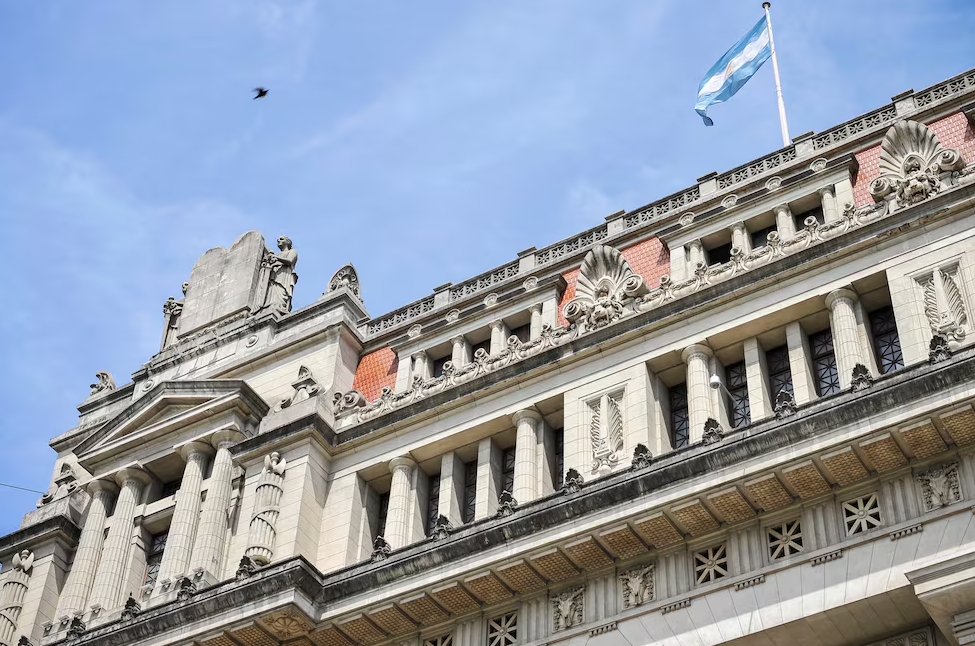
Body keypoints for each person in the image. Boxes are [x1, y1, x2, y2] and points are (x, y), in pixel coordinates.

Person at [266, 236, 298, 313]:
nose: (278, 241)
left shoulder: (293, 251)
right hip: (276, 276)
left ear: (288, 242)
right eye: (277, 240)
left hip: (285, 275)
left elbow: (290, 261)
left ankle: (281, 306)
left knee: (282, 292)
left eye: (281, 239)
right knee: (273, 292)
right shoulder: (278, 254)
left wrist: (276, 258)